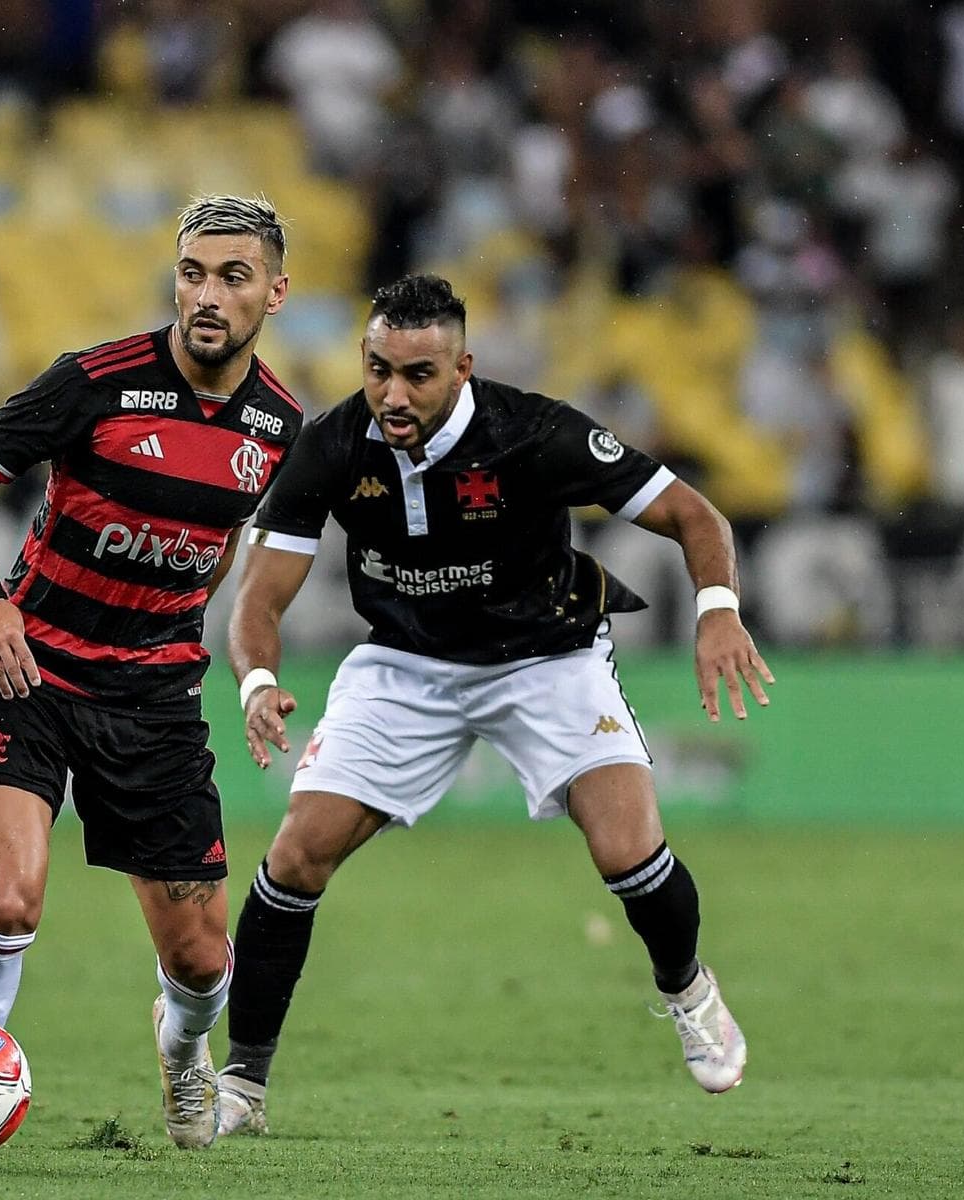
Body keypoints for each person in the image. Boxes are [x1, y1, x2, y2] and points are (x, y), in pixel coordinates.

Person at [214, 274, 774, 1137]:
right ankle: (242, 1088)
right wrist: (256, 681)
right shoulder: (331, 444)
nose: (393, 395)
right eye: (378, 370)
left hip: (545, 655)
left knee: (629, 852)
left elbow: (696, 516)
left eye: (418, 375)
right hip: (406, 664)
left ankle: (686, 987)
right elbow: (257, 598)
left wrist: (718, 614)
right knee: (295, 856)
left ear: (463, 368)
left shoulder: (537, 435)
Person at [0, 194, 299, 1152]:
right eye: (193, 273)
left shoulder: (282, 430)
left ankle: (181, 1055)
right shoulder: (95, 382)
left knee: (205, 961)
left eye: (233, 277)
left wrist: (227, 659)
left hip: (155, 697)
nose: (207, 295)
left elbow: (222, 553)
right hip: (30, 672)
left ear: (277, 294)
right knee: (9, 900)